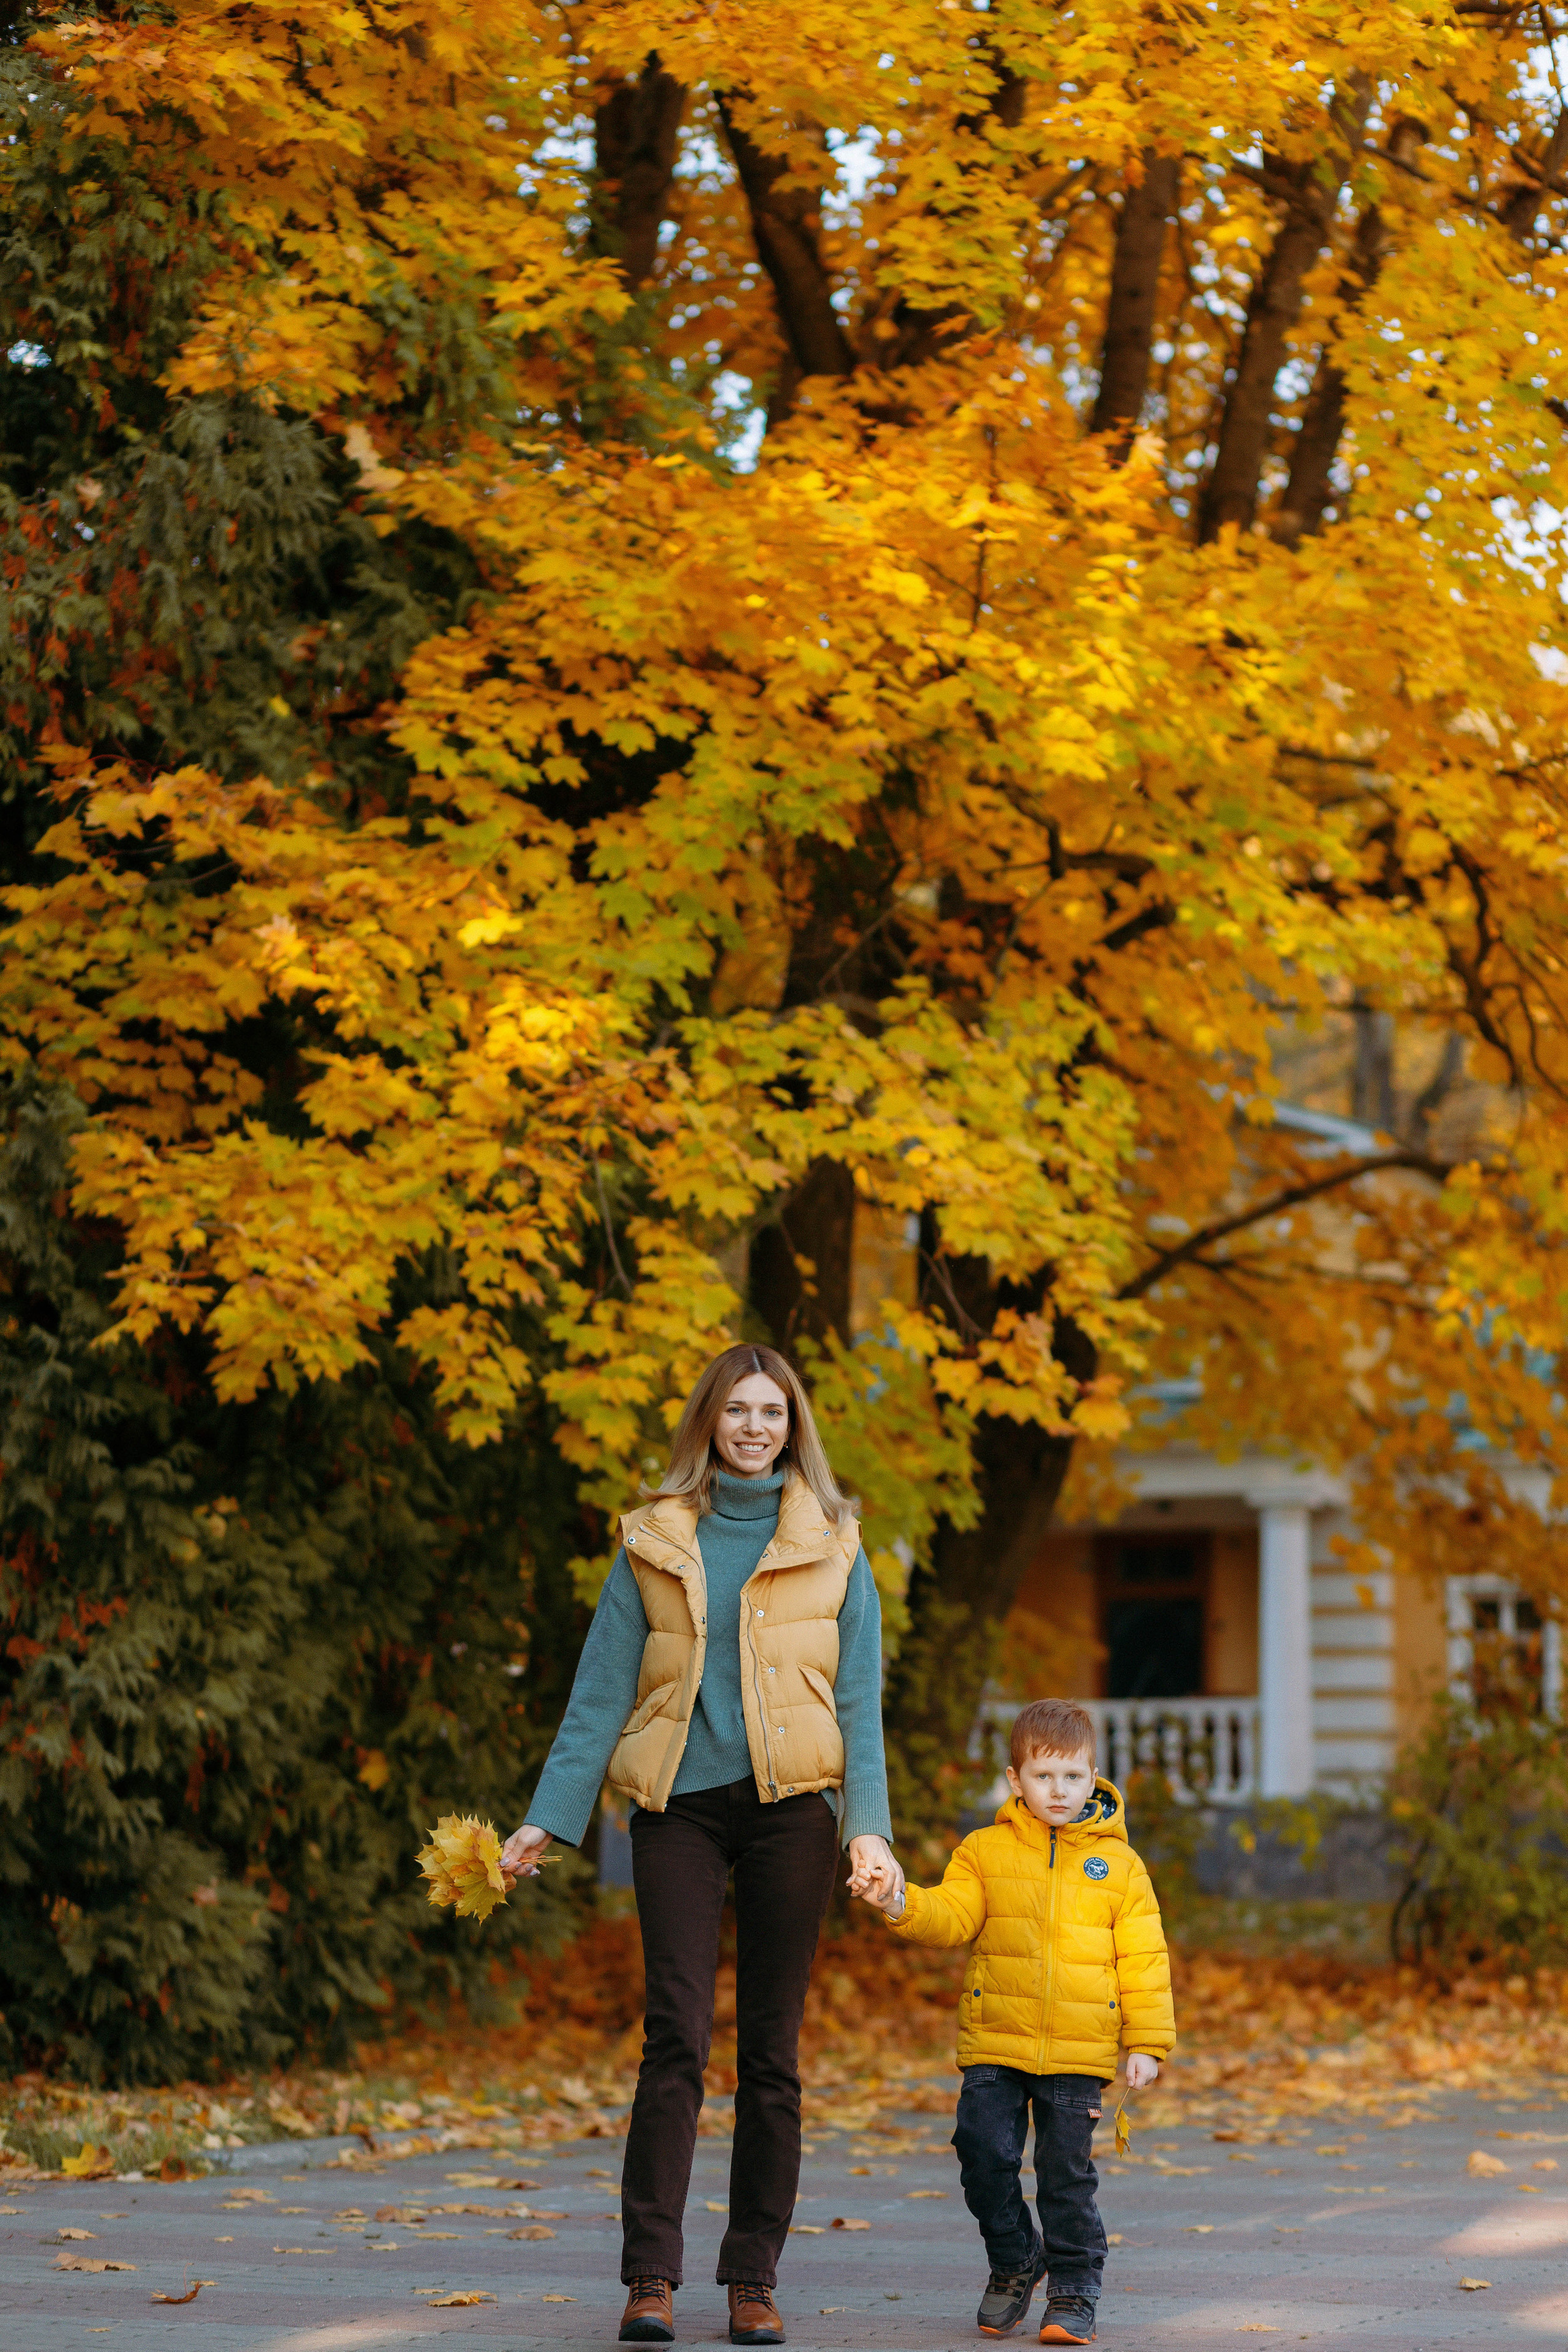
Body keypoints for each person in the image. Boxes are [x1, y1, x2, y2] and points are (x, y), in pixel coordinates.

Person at [499, 1343, 903, 2350]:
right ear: (710, 1425)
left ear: (792, 1425)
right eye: (737, 1411)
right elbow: (599, 1695)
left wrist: (870, 1832)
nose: (755, 1427)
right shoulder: (651, 1543)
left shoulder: (839, 1546)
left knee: (772, 2054)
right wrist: (544, 1817)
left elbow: (859, 1708)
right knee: (675, 2035)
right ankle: (650, 2278)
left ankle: (752, 2281)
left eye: (772, 1412)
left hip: (794, 1816)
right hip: (676, 1808)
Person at [854, 1697, 1174, 2346]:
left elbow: (1144, 1958)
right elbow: (949, 1916)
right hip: (995, 2042)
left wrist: (1146, 2042)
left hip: (1077, 2052)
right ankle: (1014, 2259)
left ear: (1093, 1778)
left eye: (1074, 1777)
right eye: (1044, 1777)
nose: (1059, 1791)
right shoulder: (984, 1851)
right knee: (982, 2153)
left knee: (1065, 2177)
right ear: (1015, 1780)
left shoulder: (1121, 1867)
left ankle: (1075, 2289)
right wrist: (896, 1901)